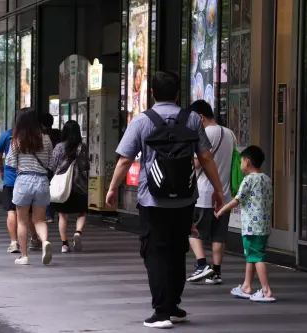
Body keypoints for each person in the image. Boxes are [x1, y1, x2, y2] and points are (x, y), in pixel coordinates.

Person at [106, 71, 224, 329]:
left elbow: (125, 159)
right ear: (179, 94)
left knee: (155, 253)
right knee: (177, 251)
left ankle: (160, 312)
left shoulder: (142, 121)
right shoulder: (192, 119)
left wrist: (112, 188)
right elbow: (206, 158)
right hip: (185, 199)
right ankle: (173, 307)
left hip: (153, 200)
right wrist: (218, 189)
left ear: (152, 93)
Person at [214, 145, 275, 302]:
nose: (240, 165)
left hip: (251, 227)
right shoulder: (266, 179)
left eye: (241, 161)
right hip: (263, 225)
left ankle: (266, 290)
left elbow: (237, 200)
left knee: (257, 257)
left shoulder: (248, 180)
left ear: (247, 162)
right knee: (252, 256)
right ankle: (246, 286)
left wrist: (221, 211)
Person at [187, 100, 235, 285]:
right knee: (218, 235)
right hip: (224, 193)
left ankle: (201, 265)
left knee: (192, 231)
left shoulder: (206, 133)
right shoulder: (229, 133)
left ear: (200, 116)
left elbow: (199, 162)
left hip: (204, 193)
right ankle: (216, 272)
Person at [6, 108, 53, 266]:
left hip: (23, 180)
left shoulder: (16, 140)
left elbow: (10, 163)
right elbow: (51, 162)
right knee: (39, 220)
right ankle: (45, 241)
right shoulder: (46, 139)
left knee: (22, 221)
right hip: (41, 181)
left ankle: (24, 256)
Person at [0, 114, 41, 254]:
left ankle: (14, 242)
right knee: (30, 213)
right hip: (30, 179)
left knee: (11, 211)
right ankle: (34, 239)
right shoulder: (36, 137)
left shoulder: (7, 136)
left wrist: (1, 170)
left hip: (11, 179)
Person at [49, 120, 89, 253]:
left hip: (63, 187)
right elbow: (86, 166)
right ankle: (78, 232)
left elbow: (53, 166)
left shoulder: (59, 147)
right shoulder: (82, 147)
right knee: (82, 213)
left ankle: (64, 244)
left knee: (63, 215)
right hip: (80, 186)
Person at [40, 113, 61, 223]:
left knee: (47, 190)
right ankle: (59, 212)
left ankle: (49, 214)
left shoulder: (42, 136)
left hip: (47, 166)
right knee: (58, 188)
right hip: (59, 166)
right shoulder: (58, 133)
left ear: (41, 124)